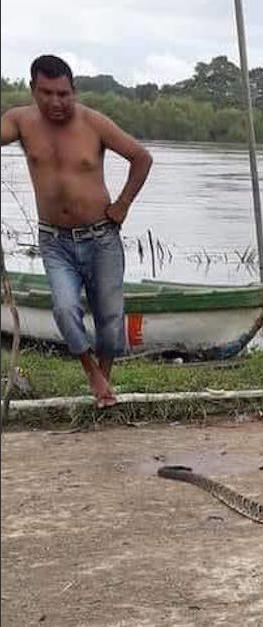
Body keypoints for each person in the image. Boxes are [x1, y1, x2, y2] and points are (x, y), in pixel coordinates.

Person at [1, 55, 153, 408]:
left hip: (101, 236)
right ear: (32, 90)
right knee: (65, 308)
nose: (56, 102)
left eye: (63, 94)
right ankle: (92, 372)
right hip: (55, 240)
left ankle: (105, 383)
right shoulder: (20, 121)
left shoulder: (94, 123)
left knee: (110, 317)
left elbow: (141, 157)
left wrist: (124, 204)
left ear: (74, 91)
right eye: (46, 93)